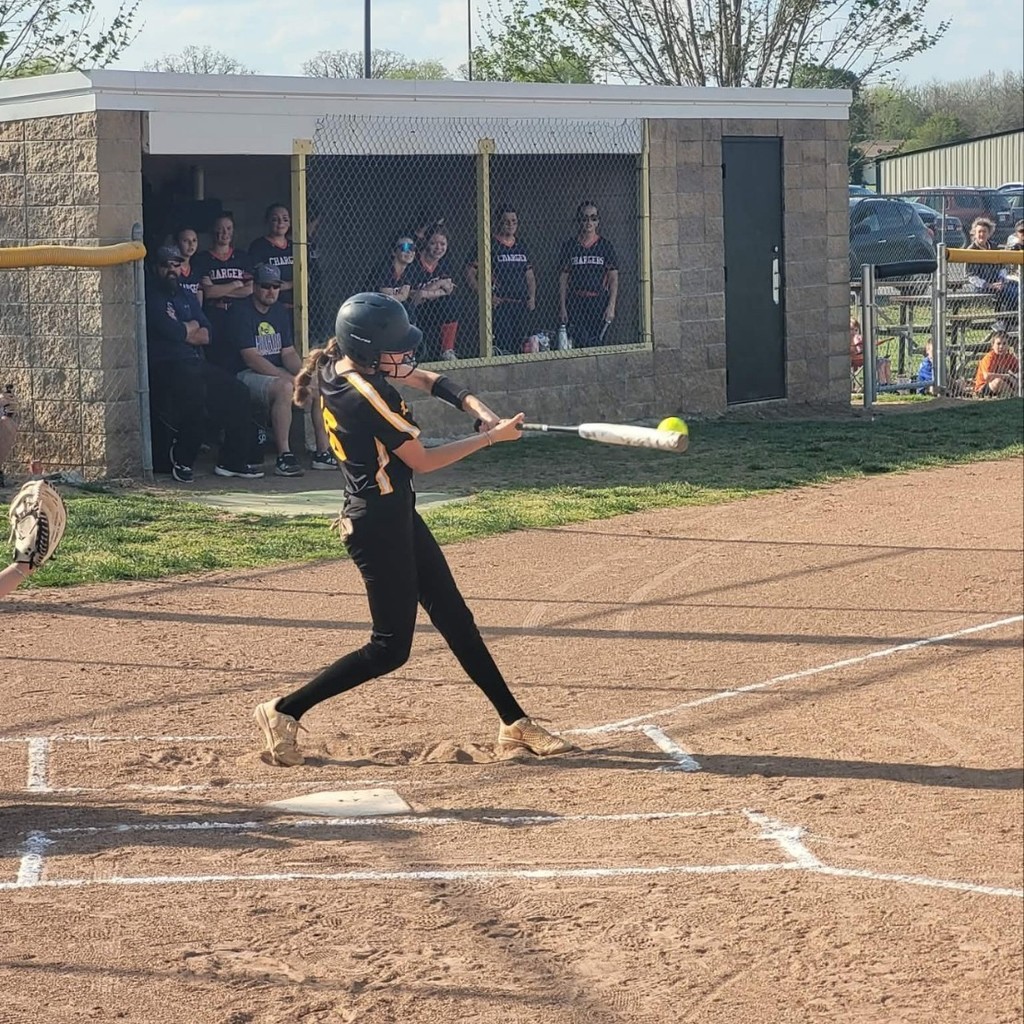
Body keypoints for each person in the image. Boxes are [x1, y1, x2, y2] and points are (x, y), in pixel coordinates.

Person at [253, 292, 575, 767]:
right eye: (395, 347)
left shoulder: (343, 364)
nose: (405, 354)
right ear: (367, 350)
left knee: (455, 618)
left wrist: (475, 406)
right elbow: (422, 462)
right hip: (375, 526)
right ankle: (283, 710)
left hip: (396, 512)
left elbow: (425, 377)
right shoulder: (367, 396)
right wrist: (490, 438)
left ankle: (513, 723)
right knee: (390, 649)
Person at [145, 245, 264, 482]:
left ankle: (232, 461)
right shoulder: (151, 295)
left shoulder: (186, 295)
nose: (171, 269)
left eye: (176, 264)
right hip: (165, 364)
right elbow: (172, 331)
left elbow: (207, 333)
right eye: (165, 265)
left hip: (193, 361)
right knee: (194, 394)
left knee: (238, 392)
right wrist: (187, 329)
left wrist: (186, 330)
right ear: (155, 268)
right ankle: (182, 459)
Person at [224, 262, 336, 476]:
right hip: (244, 375)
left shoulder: (278, 311)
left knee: (317, 385)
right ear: (255, 286)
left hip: (274, 370)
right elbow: (251, 359)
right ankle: (284, 455)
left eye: (275, 286)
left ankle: (323, 452)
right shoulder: (241, 311)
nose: (271, 291)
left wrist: (304, 375)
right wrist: (289, 379)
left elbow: (288, 353)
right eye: (266, 286)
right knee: (285, 387)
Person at [466, 206, 537, 355]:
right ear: (498, 223)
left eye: (514, 221)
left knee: (524, 347)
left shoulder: (521, 245)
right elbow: (470, 272)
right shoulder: (489, 244)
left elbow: (529, 275)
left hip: (521, 304)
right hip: (500, 305)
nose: (511, 225)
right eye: (506, 222)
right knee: (504, 347)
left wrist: (532, 297)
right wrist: (486, 296)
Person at [193, 212, 253, 368]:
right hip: (214, 314)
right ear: (213, 231)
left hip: (238, 314)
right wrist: (235, 284)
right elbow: (208, 293)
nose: (225, 233)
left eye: (228, 228)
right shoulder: (202, 259)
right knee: (217, 361)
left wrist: (218, 289)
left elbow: (250, 289)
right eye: (220, 229)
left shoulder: (242, 257)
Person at [558, 201, 619, 348]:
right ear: (579, 220)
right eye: (585, 218)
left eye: (593, 218)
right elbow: (563, 279)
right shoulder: (570, 246)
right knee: (577, 344)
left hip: (598, 302)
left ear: (598, 221)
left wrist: (611, 306)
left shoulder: (605, 246)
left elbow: (613, 278)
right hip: (576, 301)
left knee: (597, 345)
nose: (589, 222)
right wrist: (562, 306)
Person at [409, 225, 459, 361]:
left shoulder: (445, 262)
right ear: (426, 243)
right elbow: (414, 297)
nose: (438, 248)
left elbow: (449, 289)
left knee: (451, 303)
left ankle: (447, 351)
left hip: (434, 308)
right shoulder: (414, 261)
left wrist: (425, 293)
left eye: (442, 244)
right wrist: (438, 285)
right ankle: (409, 354)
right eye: (433, 243)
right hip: (416, 309)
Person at [964, 217, 1019, 313]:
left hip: (998, 284)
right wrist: (989, 285)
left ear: (989, 234)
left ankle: (1008, 320)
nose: (982, 234)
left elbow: (1002, 269)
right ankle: (1005, 320)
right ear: (974, 234)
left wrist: (1001, 281)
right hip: (981, 286)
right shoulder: (971, 250)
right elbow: (971, 277)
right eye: (979, 232)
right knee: (1011, 293)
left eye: (984, 232)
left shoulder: (994, 247)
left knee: (1017, 289)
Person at [248, 203, 295, 310]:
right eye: (275, 219)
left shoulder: (295, 246)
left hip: (298, 304)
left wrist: (289, 284)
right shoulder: (259, 246)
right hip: (271, 305)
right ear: (267, 221)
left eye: (285, 219)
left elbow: (308, 277)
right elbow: (260, 279)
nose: (280, 223)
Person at [369, 234, 419, 310]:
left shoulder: (409, 270)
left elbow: (403, 296)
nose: (409, 252)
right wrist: (398, 295)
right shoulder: (384, 269)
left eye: (412, 248)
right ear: (394, 252)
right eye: (405, 247)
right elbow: (386, 297)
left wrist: (397, 295)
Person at [973, 332, 1019, 397]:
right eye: (998, 344)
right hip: (985, 387)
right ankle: (1016, 395)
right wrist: (1008, 377)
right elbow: (987, 377)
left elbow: (1019, 370)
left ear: (1008, 345)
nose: (1001, 346)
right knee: (998, 382)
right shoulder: (989, 357)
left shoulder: (1009, 357)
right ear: (992, 345)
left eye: (1004, 343)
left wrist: (1015, 379)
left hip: (1005, 385)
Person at [849, 317, 891, 385]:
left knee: (885, 361)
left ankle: (888, 384)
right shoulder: (847, 340)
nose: (853, 332)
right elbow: (855, 351)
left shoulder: (859, 338)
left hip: (863, 358)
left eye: (856, 330)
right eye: (851, 329)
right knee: (880, 362)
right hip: (856, 360)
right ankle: (882, 384)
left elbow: (868, 344)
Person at [173, 225, 203, 305]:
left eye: (194, 240)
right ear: (176, 243)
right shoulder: (171, 269)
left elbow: (199, 301)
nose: (191, 244)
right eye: (186, 241)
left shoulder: (197, 269)